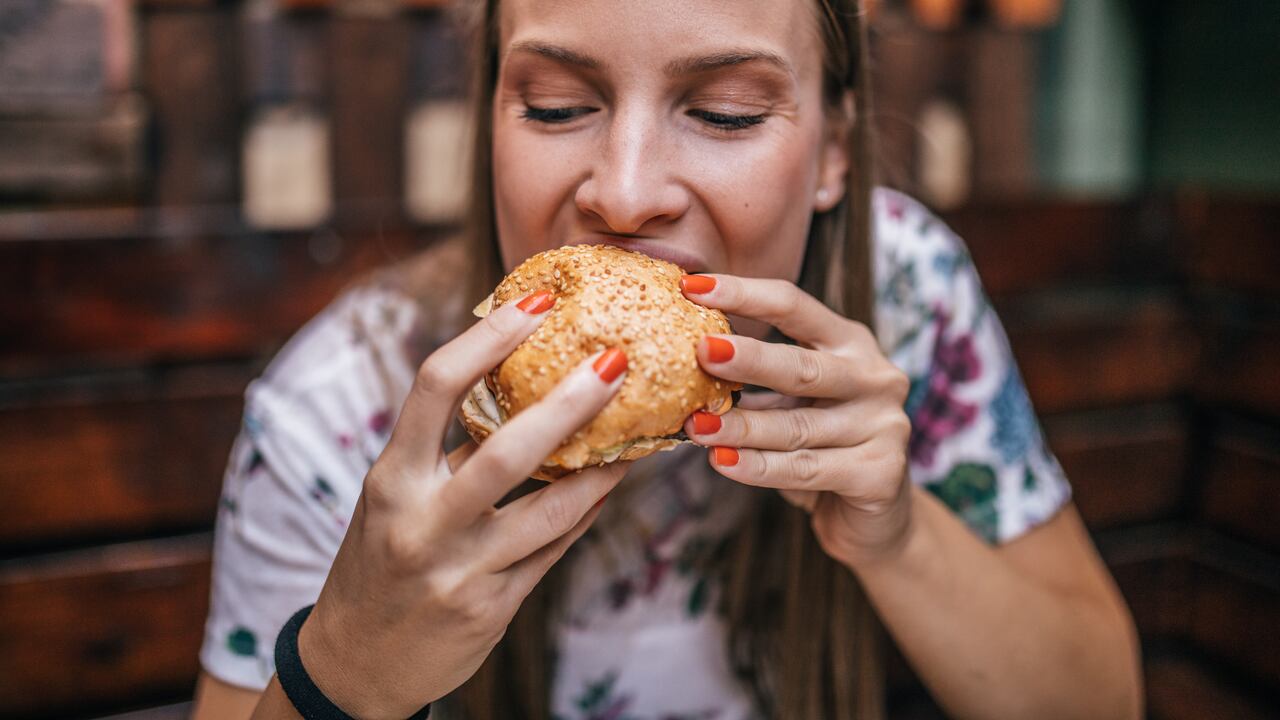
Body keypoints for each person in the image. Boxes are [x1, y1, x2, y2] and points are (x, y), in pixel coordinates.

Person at [191, 0, 1142, 718]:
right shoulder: (334, 409)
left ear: (833, 155)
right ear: (490, 122)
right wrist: (348, 672)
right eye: (558, 106)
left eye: (727, 113)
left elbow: (1104, 701)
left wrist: (898, 539)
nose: (627, 192)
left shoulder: (907, 298)